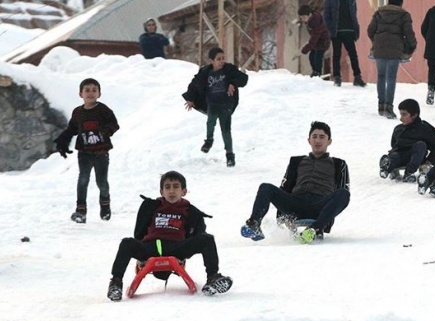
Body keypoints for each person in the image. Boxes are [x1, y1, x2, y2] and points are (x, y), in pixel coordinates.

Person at [106, 170, 233, 301]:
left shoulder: (191, 212)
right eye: (167, 187)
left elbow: (197, 233)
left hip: (177, 247)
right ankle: (116, 283)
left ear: (183, 191)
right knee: (127, 242)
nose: (171, 191)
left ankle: (213, 277)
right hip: (150, 247)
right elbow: (139, 231)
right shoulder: (151, 206)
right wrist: (140, 256)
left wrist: (184, 256)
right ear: (161, 192)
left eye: (176, 187)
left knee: (207, 239)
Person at [241, 121, 350, 243]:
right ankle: (254, 225)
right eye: (314, 137)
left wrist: (327, 221)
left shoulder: (339, 164)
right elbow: (285, 188)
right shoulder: (296, 161)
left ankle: (315, 229)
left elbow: (341, 196)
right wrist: (282, 218)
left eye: (322, 137)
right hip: (296, 203)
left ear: (329, 141)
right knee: (265, 187)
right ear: (309, 140)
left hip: (320, 206)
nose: (317, 141)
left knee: (343, 193)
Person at [54, 78, 119, 224]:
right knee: (83, 179)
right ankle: (81, 211)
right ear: (80, 93)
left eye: (94, 90)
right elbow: (72, 129)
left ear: (99, 94)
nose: (91, 93)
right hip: (84, 152)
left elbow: (114, 124)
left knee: (101, 182)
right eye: (87, 90)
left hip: (101, 152)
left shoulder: (103, 110)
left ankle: (105, 203)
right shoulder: (78, 112)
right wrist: (63, 140)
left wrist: (106, 131)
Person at [182, 47, 249, 166]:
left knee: (226, 130)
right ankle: (209, 141)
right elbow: (194, 84)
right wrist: (190, 98)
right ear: (211, 61)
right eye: (218, 59)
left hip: (226, 105)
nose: (222, 61)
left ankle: (230, 155)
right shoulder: (205, 72)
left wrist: (233, 83)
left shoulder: (229, 69)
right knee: (210, 123)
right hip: (212, 104)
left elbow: (243, 79)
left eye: (223, 58)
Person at [367, 0, 417, 119]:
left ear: (388, 2)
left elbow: (370, 30)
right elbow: (408, 32)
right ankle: (389, 106)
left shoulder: (379, 13)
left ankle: (381, 104)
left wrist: (376, 40)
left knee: (381, 76)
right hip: (395, 49)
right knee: (391, 77)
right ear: (400, 3)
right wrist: (412, 46)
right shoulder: (404, 15)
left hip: (380, 48)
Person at [378, 98, 435, 182]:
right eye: (400, 114)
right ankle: (387, 167)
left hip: (416, 157)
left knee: (421, 145)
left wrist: (429, 161)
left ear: (414, 115)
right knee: (394, 156)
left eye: (404, 115)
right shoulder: (398, 129)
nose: (401, 118)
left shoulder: (423, 128)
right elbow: (393, 144)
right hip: (401, 155)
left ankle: (409, 172)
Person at [323, 0, 366, 87]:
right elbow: (326, 15)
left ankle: (357, 77)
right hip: (337, 30)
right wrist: (331, 28)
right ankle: (337, 77)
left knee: (353, 54)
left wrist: (356, 28)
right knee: (336, 54)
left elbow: (354, 15)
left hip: (349, 30)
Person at [298, 4, 330, 77]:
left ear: (309, 15)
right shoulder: (311, 18)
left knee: (317, 56)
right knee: (311, 56)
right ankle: (315, 72)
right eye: (301, 18)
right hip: (318, 40)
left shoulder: (315, 22)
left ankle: (317, 73)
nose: (303, 20)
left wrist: (306, 48)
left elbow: (314, 37)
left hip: (323, 41)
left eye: (304, 17)